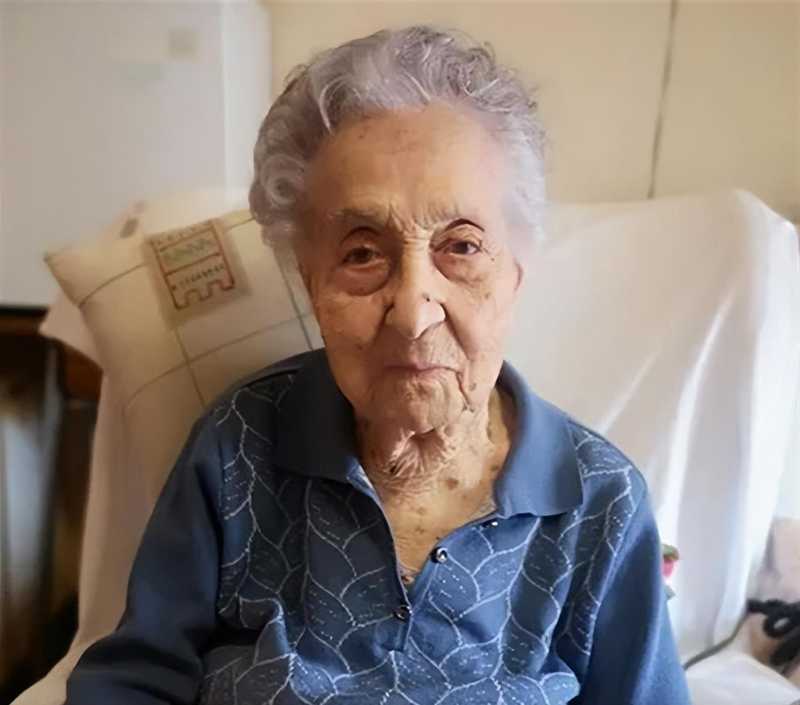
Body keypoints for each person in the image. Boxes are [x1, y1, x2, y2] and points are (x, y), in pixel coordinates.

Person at [65, 25, 691, 705]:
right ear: (311, 282)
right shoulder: (239, 444)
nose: (413, 312)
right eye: (362, 253)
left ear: (515, 272)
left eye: (461, 246)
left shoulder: (601, 502)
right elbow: (136, 680)